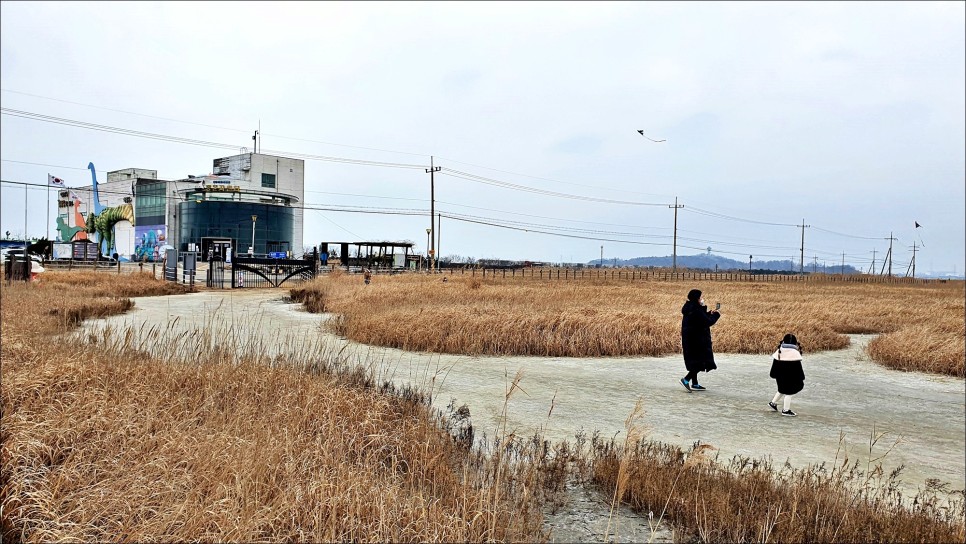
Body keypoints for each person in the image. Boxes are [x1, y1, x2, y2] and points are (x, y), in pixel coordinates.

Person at [680, 288, 720, 392]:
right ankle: (686, 379)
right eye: (700, 297)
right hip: (697, 340)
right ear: (696, 298)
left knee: (694, 361)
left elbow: (699, 319)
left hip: (690, 339)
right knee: (700, 361)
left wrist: (708, 313)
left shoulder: (690, 307)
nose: (702, 299)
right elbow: (707, 322)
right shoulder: (696, 310)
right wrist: (716, 315)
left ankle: (695, 383)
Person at [769, 333, 805, 417]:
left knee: (781, 390)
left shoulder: (779, 351)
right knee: (789, 393)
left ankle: (773, 403)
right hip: (791, 378)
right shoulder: (795, 354)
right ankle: (786, 410)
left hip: (780, 377)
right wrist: (801, 378)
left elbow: (774, 365)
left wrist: (773, 374)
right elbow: (798, 369)